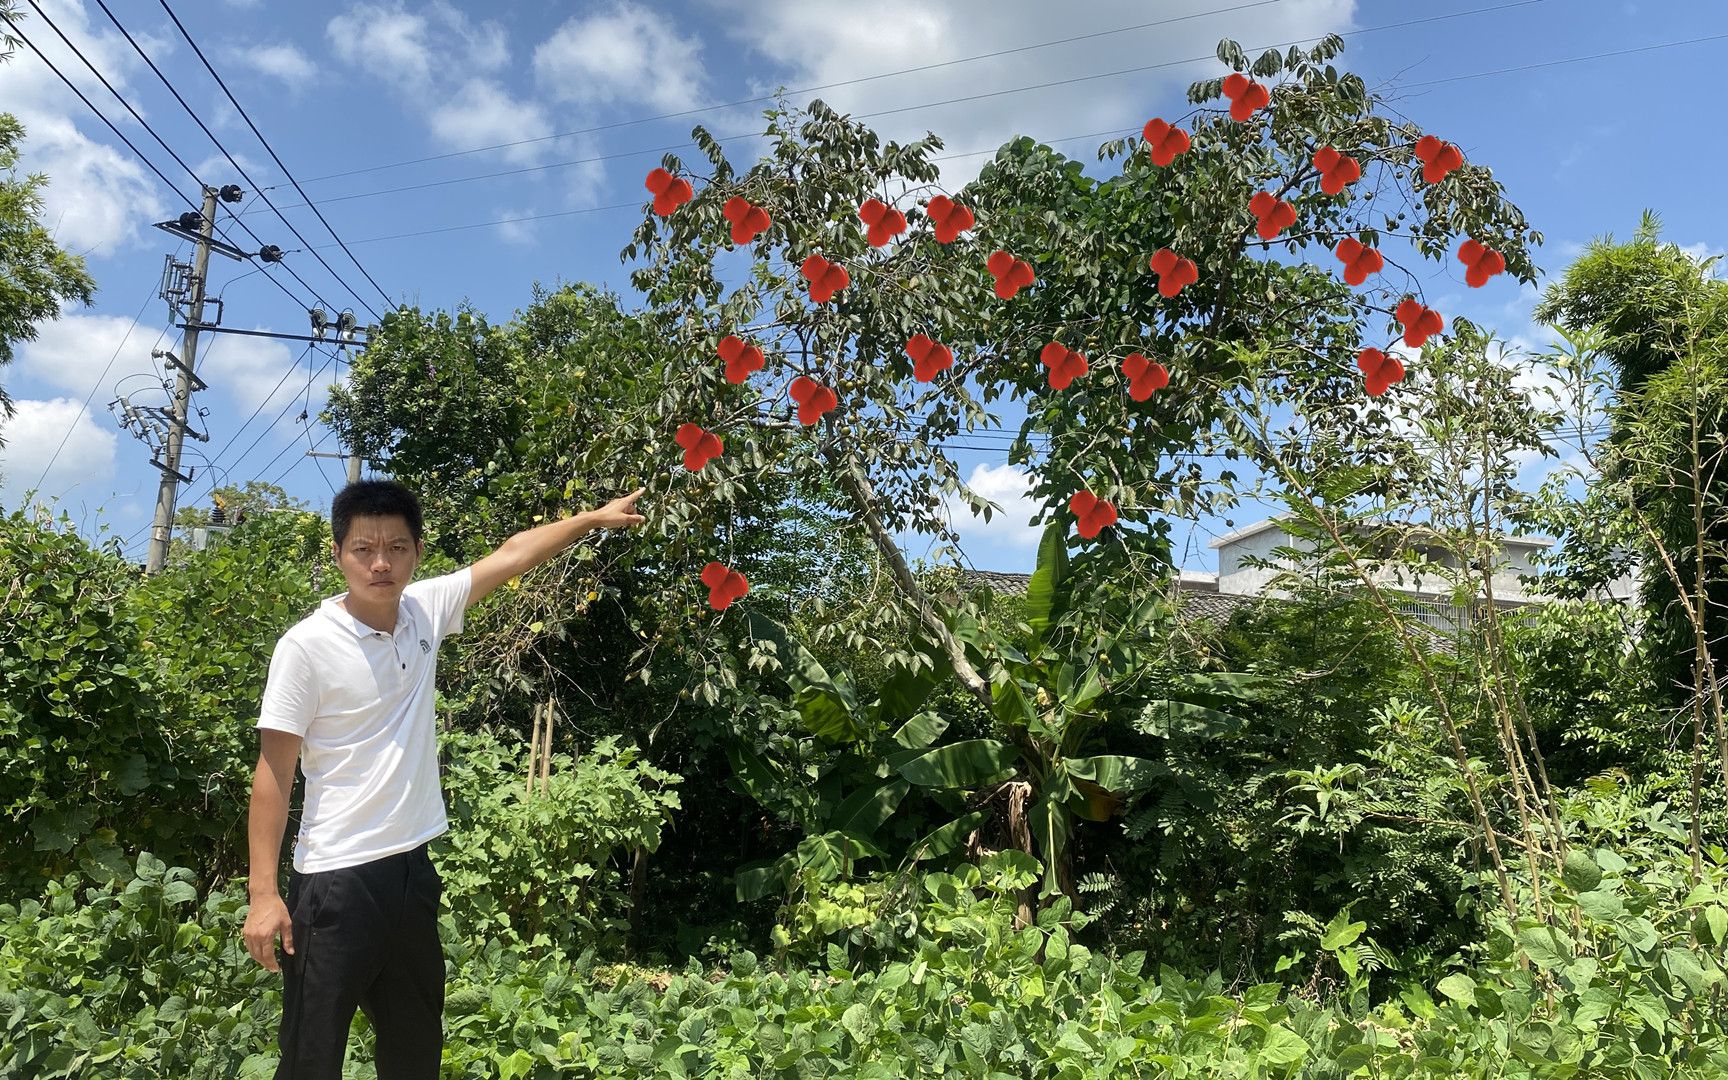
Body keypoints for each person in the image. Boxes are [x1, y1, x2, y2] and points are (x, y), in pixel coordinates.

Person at [241, 479, 646, 1078]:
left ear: (417, 552)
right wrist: (263, 893)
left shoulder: (425, 608)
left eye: (397, 548)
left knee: (414, 1054)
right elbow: (273, 772)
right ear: (337, 554)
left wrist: (591, 519)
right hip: (334, 882)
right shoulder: (306, 647)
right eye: (363, 549)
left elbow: (514, 553)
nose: (381, 563)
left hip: (411, 874)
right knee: (310, 1058)